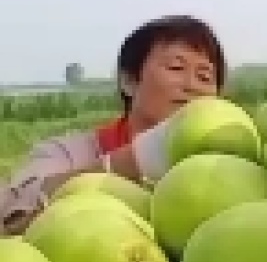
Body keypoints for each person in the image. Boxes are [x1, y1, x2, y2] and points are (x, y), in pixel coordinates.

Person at [0, 14, 227, 234]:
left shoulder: (226, 165)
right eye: (176, 68)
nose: (192, 86)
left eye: (204, 77)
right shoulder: (69, 154)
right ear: (129, 82)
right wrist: (140, 158)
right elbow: (9, 216)